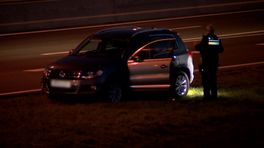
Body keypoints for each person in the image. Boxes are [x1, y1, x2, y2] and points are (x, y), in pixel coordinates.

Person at [195, 25, 224, 99]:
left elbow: (200, 47)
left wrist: (196, 45)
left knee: (206, 80)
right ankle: (214, 96)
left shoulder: (206, 39)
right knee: (213, 79)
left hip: (206, 63)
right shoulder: (216, 38)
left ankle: (207, 96)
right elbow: (220, 49)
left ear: (207, 31)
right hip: (214, 63)